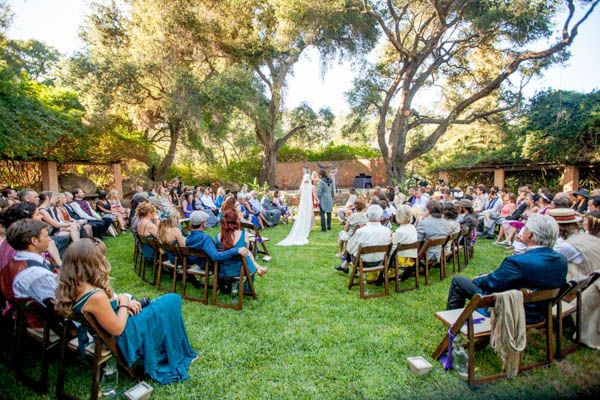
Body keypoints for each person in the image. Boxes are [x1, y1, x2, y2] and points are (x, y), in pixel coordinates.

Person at [55, 239, 197, 384]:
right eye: (100, 257)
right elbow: (117, 329)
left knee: (159, 304)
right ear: (89, 262)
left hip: (114, 325)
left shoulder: (73, 287)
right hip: (125, 334)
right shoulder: (95, 296)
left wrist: (125, 304)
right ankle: (179, 354)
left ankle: (168, 346)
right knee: (172, 300)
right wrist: (123, 302)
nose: (103, 260)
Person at [446, 214, 567, 324]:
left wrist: (478, 280)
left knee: (459, 281)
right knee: (485, 277)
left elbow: (492, 284)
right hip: (538, 313)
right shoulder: (561, 259)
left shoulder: (518, 262)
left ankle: (453, 323)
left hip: (511, 311)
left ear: (529, 235)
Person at [549, 208, 600, 349]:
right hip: (590, 280)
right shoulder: (584, 237)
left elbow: (546, 262)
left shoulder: (567, 247)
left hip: (584, 286)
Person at [0, 219, 56, 328]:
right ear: (34, 240)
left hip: (23, 317)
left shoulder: (13, 262)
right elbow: (61, 306)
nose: (49, 239)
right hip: (46, 326)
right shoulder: (38, 274)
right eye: (46, 236)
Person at [185, 211, 250, 271]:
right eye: (206, 221)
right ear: (203, 224)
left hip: (199, 263)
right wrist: (235, 250)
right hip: (209, 265)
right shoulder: (205, 239)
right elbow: (216, 256)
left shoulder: (188, 237)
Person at [215, 209, 267, 283]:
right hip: (241, 270)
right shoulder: (244, 234)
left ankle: (258, 267)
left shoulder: (217, 237)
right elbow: (246, 252)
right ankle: (258, 268)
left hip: (224, 270)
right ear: (236, 220)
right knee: (247, 253)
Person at [337, 205, 391, 275]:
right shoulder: (387, 231)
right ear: (381, 217)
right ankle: (344, 265)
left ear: (367, 216)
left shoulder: (361, 231)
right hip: (381, 261)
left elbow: (349, 248)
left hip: (362, 263)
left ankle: (344, 265)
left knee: (352, 247)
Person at [277, 167, 314, 246]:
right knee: (306, 212)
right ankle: (306, 228)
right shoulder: (307, 178)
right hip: (306, 199)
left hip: (305, 199)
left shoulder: (305, 178)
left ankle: (307, 226)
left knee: (304, 212)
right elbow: (306, 185)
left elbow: (302, 189)